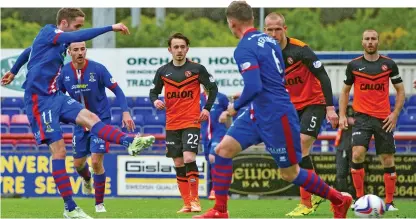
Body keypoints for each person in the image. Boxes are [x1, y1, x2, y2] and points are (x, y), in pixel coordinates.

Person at [193, 2, 352, 218]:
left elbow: (255, 86)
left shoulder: (243, 48)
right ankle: (220, 210)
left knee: (290, 173)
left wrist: (233, 107)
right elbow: (266, 80)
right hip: (257, 112)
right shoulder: (268, 41)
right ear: (253, 20)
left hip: (277, 115)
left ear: (231, 23)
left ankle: (339, 199)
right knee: (222, 151)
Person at [0, 8, 155, 219]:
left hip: (55, 95)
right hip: (39, 100)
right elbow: (71, 38)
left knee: (92, 118)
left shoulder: (57, 41)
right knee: (59, 153)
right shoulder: (49, 33)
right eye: (77, 25)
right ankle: (70, 208)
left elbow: (29, 50)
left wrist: (14, 70)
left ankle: (130, 142)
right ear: (64, 23)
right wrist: (111, 27)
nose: (78, 30)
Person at [263, 12, 338, 216]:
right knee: (297, 154)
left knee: (301, 143)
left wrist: (330, 108)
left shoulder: (300, 50)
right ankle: (316, 192)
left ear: (284, 29)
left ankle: (307, 202)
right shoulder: (265, 56)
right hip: (290, 108)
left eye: (277, 29)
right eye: (269, 29)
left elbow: (323, 76)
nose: (273, 33)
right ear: (264, 31)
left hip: (314, 103)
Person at [149, 33, 218, 213]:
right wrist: (155, 101)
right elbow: (153, 92)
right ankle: (187, 203)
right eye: (176, 47)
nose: (179, 50)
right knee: (179, 163)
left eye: (182, 47)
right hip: (172, 123)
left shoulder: (197, 69)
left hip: (191, 121)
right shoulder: (163, 71)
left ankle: (195, 201)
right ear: (169, 49)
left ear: (187, 48)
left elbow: (213, 88)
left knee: (189, 158)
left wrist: (207, 108)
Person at [339, 29, 405, 211]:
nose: (370, 42)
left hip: (384, 118)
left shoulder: (389, 64)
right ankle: (359, 199)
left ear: (378, 41)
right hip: (362, 118)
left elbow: (401, 90)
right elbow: (344, 92)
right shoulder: (353, 65)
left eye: (373, 39)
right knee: (357, 154)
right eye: (367, 39)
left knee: (387, 159)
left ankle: (390, 202)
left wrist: (395, 114)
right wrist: (343, 115)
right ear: (362, 42)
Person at [200, 88, 231, 200]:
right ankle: (221, 191)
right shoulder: (198, 98)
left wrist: (225, 112)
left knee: (214, 158)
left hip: (219, 133)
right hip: (205, 135)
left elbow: (232, 109)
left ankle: (215, 190)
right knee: (210, 161)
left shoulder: (221, 97)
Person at [334, 102, 355, 196]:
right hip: (342, 147)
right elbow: (334, 122)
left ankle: (356, 196)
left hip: (355, 147)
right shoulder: (340, 115)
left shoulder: (360, 114)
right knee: (341, 173)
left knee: (355, 172)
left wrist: (355, 121)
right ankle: (343, 195)